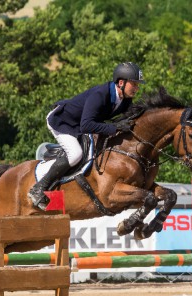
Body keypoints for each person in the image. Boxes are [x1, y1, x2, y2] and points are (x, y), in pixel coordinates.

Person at [28, 62, 145, 210]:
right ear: (121, 83)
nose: (137, 88)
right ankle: (39, 188)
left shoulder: (126, 100)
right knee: (75, 154)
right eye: (134, 84)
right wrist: (114, 127)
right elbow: (87, 126)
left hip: (81, 124)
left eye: (137, 85)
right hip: (63, 121)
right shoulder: (101, 95)